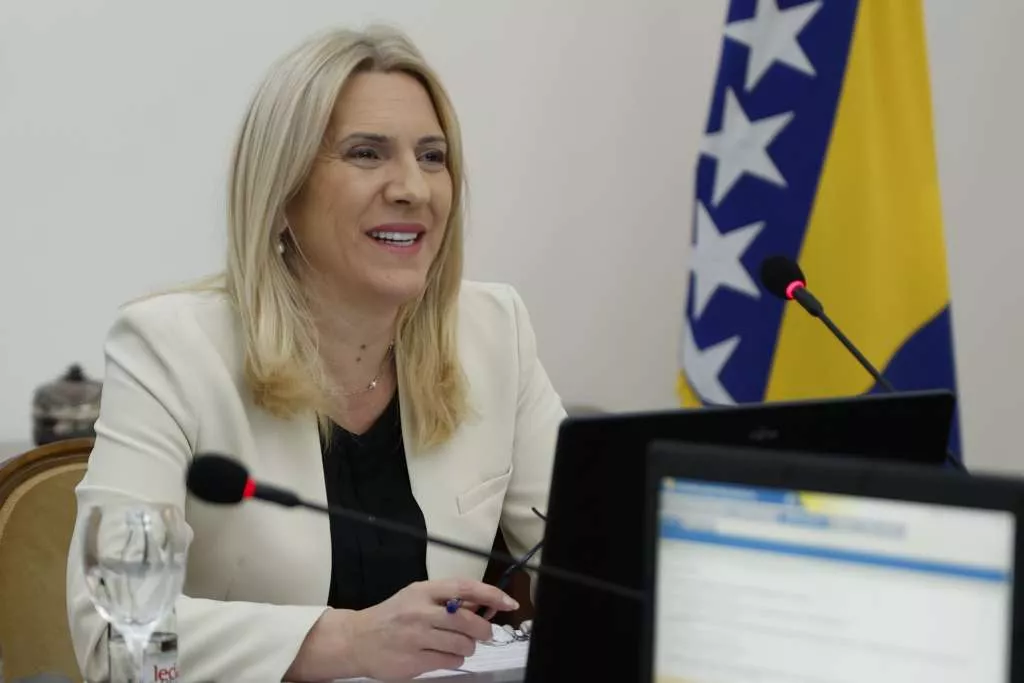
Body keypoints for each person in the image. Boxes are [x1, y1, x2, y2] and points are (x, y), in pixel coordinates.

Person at [65, 25, 565, 682]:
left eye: (433, 156)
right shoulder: (171, 350)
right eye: (366, 153)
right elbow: (115, 639)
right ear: (282, 194)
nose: (413, 188)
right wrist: (348, 641)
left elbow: (601, 563)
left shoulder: (495, 332)